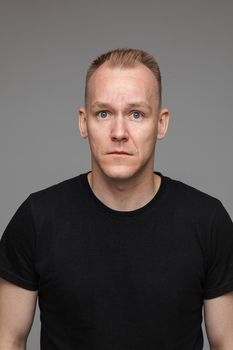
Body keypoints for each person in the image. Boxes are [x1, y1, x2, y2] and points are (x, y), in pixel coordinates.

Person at [0, 48, 233, 350]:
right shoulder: (37, 217)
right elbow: (8, 340)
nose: (119, 132)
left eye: (136, 114)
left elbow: (226, 342)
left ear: (161, 124)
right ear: (84, 122)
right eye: (104, 113)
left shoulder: (208, 221)